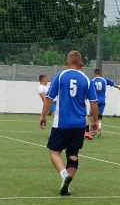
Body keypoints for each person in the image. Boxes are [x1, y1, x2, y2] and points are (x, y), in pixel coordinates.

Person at [40, 51, 98, 196]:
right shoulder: (87, 80)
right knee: (73, 155)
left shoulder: (60, 76)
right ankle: (67, 186)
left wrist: (43, 115)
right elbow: (93, 102)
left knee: (54, 152)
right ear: (81, 64)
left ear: (67, 62)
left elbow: (49, 98)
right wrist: (95, 121)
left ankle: (64, 175)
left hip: (62, 123)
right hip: (79, 124)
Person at [91, 68, 120, 137]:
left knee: (92, 115)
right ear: (100, 73)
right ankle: (99, 128)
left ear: (94, 73)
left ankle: (94, 130)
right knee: (100, 116)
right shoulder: (104, 80)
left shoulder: (92, 81)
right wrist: (119, 88)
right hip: (102, 101)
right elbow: (113, 84)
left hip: (95, 101)